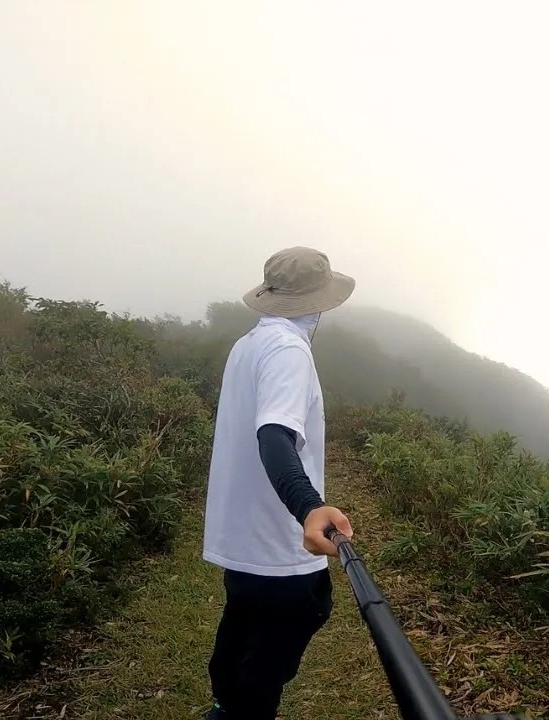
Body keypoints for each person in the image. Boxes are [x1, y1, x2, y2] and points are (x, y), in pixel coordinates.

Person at [202, 246, 357, 720]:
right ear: (318, 301)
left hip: (243, 543)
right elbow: (274, 436)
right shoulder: (290, 350)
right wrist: (309, 507)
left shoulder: (248, 344)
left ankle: (223, 711)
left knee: (238, 642)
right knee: (268, 666)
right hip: (279, 548)